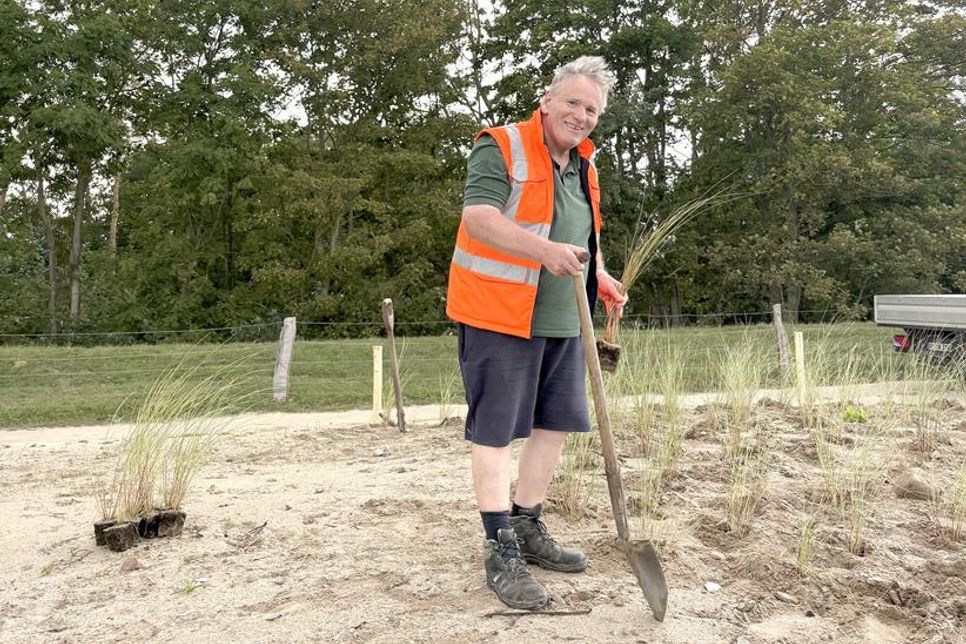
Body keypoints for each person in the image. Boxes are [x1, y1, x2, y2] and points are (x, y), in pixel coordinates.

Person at [446, 56, 627, 610]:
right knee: (496, 433)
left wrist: (596, 275)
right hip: (499, 315)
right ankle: (499, 546)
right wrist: (544, 252)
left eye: (592, 109)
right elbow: (480, 218)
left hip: (565, 320)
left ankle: (527, 524)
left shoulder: (586, 167)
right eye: (573, 102)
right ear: (547, 100)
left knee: (555, 425)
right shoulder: (499, 145)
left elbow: (574, 235)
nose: (581, 115)